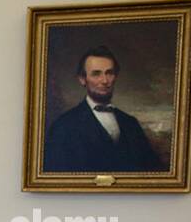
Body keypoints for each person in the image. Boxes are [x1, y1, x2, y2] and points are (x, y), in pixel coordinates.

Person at [43, 45, 164, 173]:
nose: (105, 80)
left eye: (109, 73)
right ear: (82, 80)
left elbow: (153, 171)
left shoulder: (130, 123)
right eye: (96, 74)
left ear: (115, 77)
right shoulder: (64, 126)